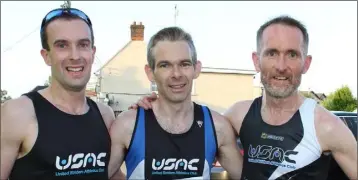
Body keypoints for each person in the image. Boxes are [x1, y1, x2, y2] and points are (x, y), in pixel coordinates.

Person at [130, 15, 358, 180]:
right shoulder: (237, 116)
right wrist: (155, 104)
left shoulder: (327, 126)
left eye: (292, 54)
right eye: (271, 53)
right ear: (256, 61)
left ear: (305, 63)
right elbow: (188, 123)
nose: (280, 66)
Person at [108, 26, 243, 180]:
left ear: (196, 69)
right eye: (165, 65)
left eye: (184, 64)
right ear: (150, 72)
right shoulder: (127, 125)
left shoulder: (217, 127)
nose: (176, 74)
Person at [1, 7, 117, 180]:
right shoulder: (18, 113)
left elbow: (115, 175)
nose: (75, 55)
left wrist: (152, 109)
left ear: (92, 53)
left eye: (83, 44)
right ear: (46, 56)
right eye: (62, 45)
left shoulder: (105, 115)